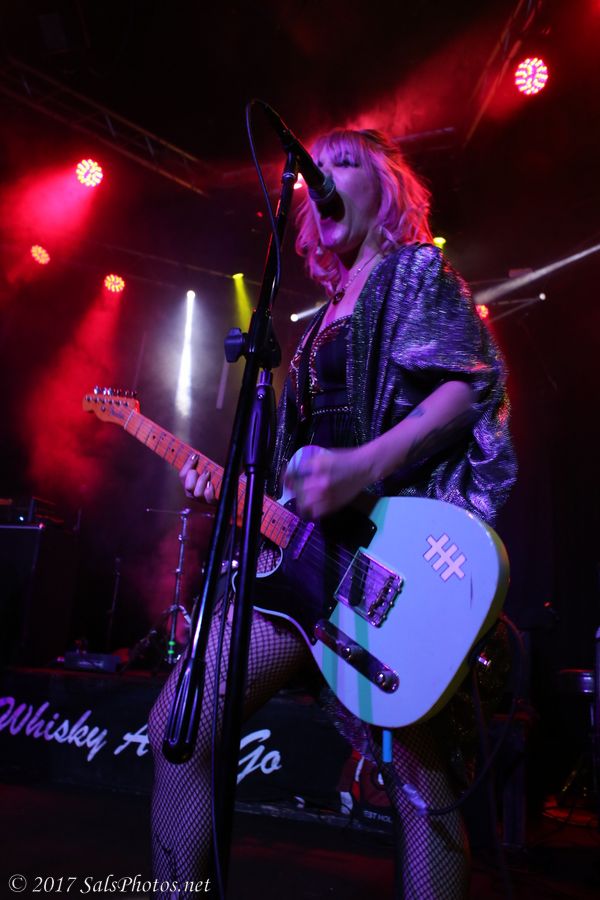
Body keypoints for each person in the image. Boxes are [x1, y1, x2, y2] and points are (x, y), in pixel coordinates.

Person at [148, 128, 517, 899]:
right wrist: (239, 493)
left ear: (389, 191)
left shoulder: (415, 273)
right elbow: (300, 474)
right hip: (305, 572)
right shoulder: (313, 323)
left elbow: (466, 386)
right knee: (179, 724)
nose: (324, 177)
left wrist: (363, 466)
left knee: (422, 786)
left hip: (394, 563)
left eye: (346, 163)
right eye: (316, 167)